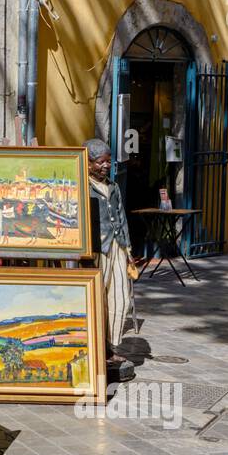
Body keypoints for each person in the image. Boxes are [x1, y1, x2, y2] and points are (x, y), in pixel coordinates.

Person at [85, 138, 137, 379]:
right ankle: (96, 348)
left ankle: (109, 344)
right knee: (96, 300)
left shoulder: (113, 187)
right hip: (94, 250)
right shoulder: (82, 186)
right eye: (100, 161)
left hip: (115, 247)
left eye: (108, 161)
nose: (106, 166)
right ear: (87, 163)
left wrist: (128, 250)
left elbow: (122, 217)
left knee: (119, 298)